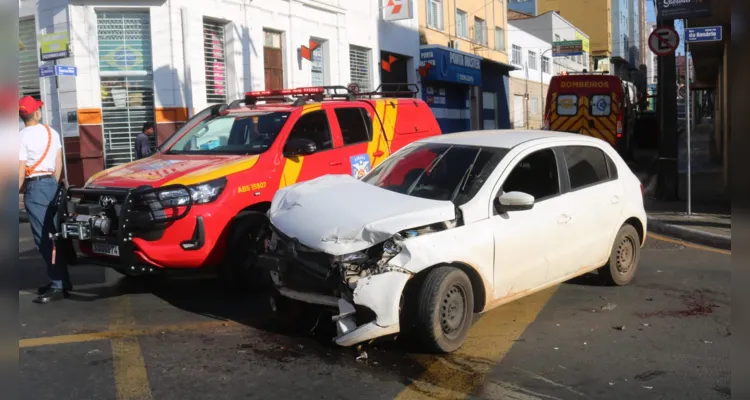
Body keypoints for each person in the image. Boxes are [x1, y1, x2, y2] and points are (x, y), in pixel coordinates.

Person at [18, 96, 71, 304]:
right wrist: (54, 185)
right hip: (52, 183)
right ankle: (62, 281)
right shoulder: (52, 132)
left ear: (22, 116)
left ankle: (58, 284)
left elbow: (20, 172)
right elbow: (59, 162)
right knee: (55, 235)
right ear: (37, 113)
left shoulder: (20, 137)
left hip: (36, 187)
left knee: (45, 239)